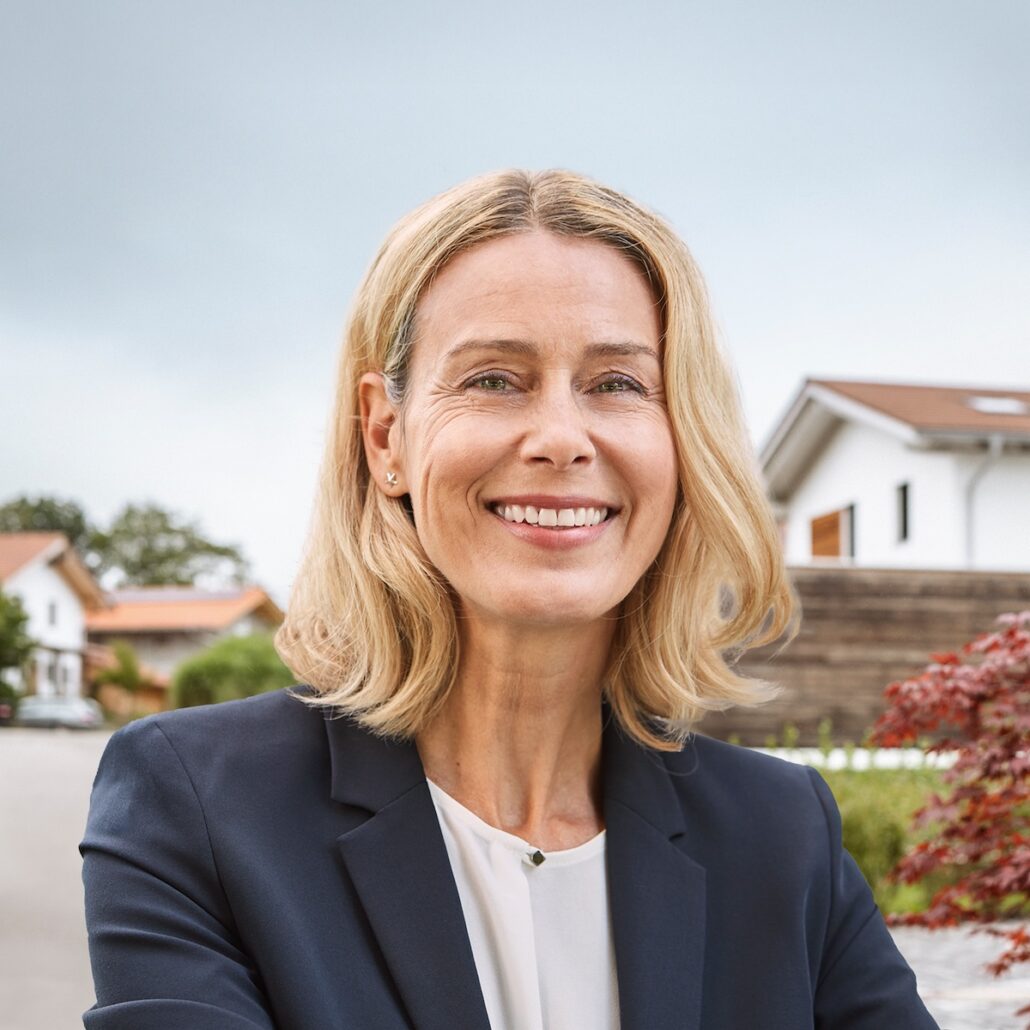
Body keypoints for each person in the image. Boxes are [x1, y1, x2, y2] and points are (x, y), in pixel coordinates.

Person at [80, 169, 939, 1029]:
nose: (562, 439)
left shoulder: (784, 834)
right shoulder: (197, 804)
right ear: (386, 436)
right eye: (494, 379)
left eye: (618, 383)